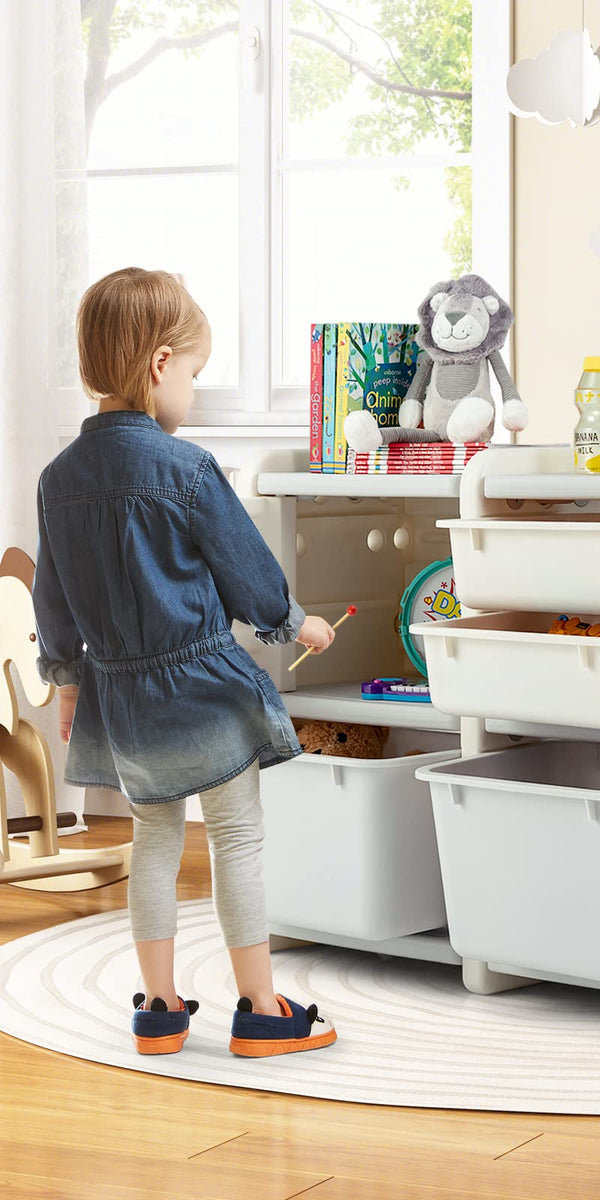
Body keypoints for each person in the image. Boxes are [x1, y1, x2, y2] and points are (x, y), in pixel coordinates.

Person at [31, 267, 337, 1058]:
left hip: (123, 693)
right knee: (236, 836)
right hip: (199, 684)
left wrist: (67, 681)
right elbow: (245, 568)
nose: (195, 394)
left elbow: (54, 601)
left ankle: (160, 1009)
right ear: (160, 362)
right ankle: (262, 1008)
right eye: (196, 375)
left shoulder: (57, 481)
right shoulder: (188, 470)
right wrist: (296, 624)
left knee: (156, 839)